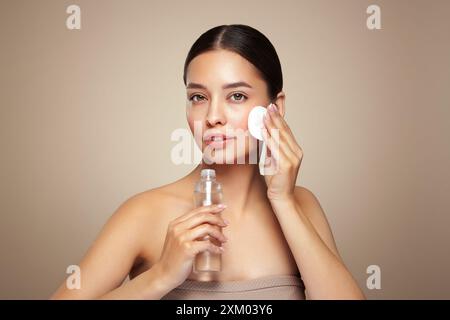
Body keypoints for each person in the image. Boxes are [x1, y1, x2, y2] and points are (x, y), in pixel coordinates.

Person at [51, 24, 365, 300]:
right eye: (198, 97)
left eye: (237, 96)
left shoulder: (302, 206)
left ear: (276, 107)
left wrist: (283, 200)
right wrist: (160, 276)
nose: (213, 117)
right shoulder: (143, 214)